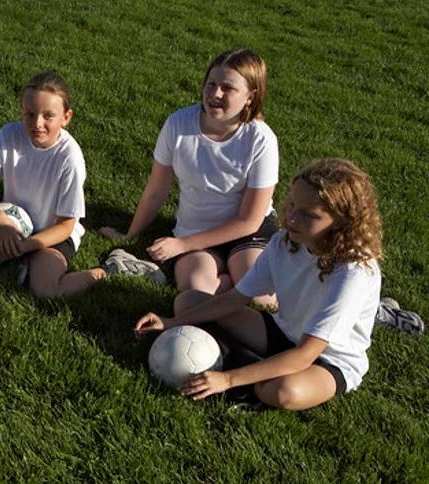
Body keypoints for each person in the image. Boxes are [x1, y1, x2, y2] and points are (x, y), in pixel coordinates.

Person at [134, 158, 385, 410]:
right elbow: (235, 298)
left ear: (342, 221)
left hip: (326, 360)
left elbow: (305, 354)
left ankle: (241, 373)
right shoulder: (285, 242)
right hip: (284, 333)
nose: (292, 218)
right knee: (188, 301)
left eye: (308, 214)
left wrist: (227, 380)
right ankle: (246, 365)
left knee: (282, 391)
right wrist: (172, 322)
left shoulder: (353, 271)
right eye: (293, 205)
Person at [0, 72, 147, 298]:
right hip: (11, 225)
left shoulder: (70, 157)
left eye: (48, 116)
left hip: (51, 236)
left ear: (66, 117)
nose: (37, 123)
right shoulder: (10, 135)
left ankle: (109, 269)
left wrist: (21, 247)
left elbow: (66, 225)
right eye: (30, 114)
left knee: (45, 290)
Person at [101, 49, 279, 304]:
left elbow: (249, 220)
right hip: (197, 227)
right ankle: (232, 283)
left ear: (250, 96)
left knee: (261, 298)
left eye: (227, 88)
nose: (215, 94)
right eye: (211, 84)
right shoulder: (178, 124)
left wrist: (182, 245)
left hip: (248, 232)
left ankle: (239, 279)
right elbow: (156, 190)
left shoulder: (260, 139)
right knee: (197, 290)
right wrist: (130, 235)